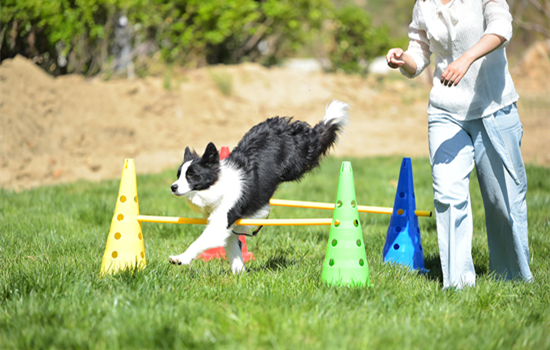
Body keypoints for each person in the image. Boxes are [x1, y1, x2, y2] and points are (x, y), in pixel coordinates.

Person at [386, 0, 533, 289]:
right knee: (448, 195)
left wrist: (467, 58)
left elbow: (501, 28)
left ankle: (512, 279)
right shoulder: (424, 4)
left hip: (493, 106)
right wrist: (404, 59)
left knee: (502, 201)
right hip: (445, 110)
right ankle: (458, 284)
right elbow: (419, 53)